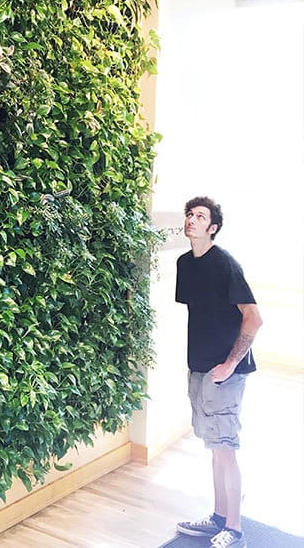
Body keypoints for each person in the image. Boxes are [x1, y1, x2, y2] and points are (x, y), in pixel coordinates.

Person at [175, 196, 263, 548]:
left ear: (212, 227)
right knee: (213, 447)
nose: (191, 220)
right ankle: (217, 517)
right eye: (190, 215)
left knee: (225, 448)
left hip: (225, 373)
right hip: (199, 368)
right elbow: (202, 313)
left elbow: (254, 318)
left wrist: (229, 364)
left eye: (200, 216)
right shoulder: (186, 264)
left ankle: (235, 528)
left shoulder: (226, 265)